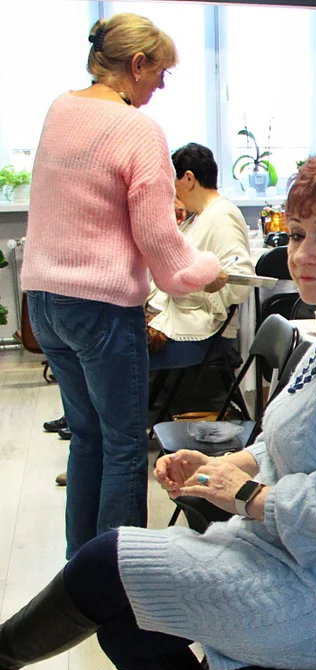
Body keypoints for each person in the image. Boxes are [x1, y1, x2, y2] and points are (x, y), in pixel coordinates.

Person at [0, 146, 316, 670]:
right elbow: (286, 438)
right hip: (288, 554)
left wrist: (246, 496)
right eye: (298, 234)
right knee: (124, 615)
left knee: (106, 563)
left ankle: (0, 658)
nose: (301, 255)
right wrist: (226, 467)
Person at [19, 13, 222, 558]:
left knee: (87, 438)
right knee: (126, 446)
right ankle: (117, 576)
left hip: (45, 301)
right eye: (161, 72)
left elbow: (83, 206)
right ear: (136, 65)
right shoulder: (138, 129)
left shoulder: (60, 108)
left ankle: (80, 569)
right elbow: (164, 254)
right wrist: (209, 269)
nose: (162, 85)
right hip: (102, 307)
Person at [145, 142, 255, 370]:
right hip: (182, 319)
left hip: (204, 333)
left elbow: (240, 283)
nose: (173, 192)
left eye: (173, 183)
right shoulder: (197, 218)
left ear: (188, 178)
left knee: (122, 356)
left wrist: (203, 281)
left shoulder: (222, 216)